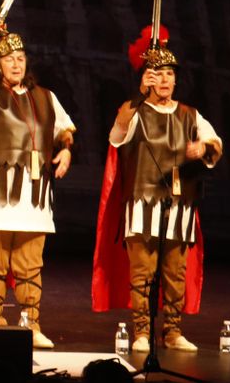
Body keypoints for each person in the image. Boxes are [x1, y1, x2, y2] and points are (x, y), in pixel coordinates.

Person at [92, 26, 222, 352]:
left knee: (175, 274)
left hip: (180, 205)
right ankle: (141, 332)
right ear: (147, 78)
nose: (164, 81)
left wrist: (203, 148)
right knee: (143, 273)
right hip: (142, 203)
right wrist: (138, 95)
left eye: (169, 75)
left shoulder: (191, 114)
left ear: (176, 79)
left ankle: (174, 331)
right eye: (158, 74)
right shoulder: (135, 110)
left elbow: (215, 145)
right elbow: (117, 133)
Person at [0, 24, 74, 348]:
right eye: (9, 59)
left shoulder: (46, 97)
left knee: (30, 267)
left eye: (21, 58)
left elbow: (64, 130)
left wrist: (65, 149)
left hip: (33, 197)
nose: (17, 64)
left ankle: (30, 324)